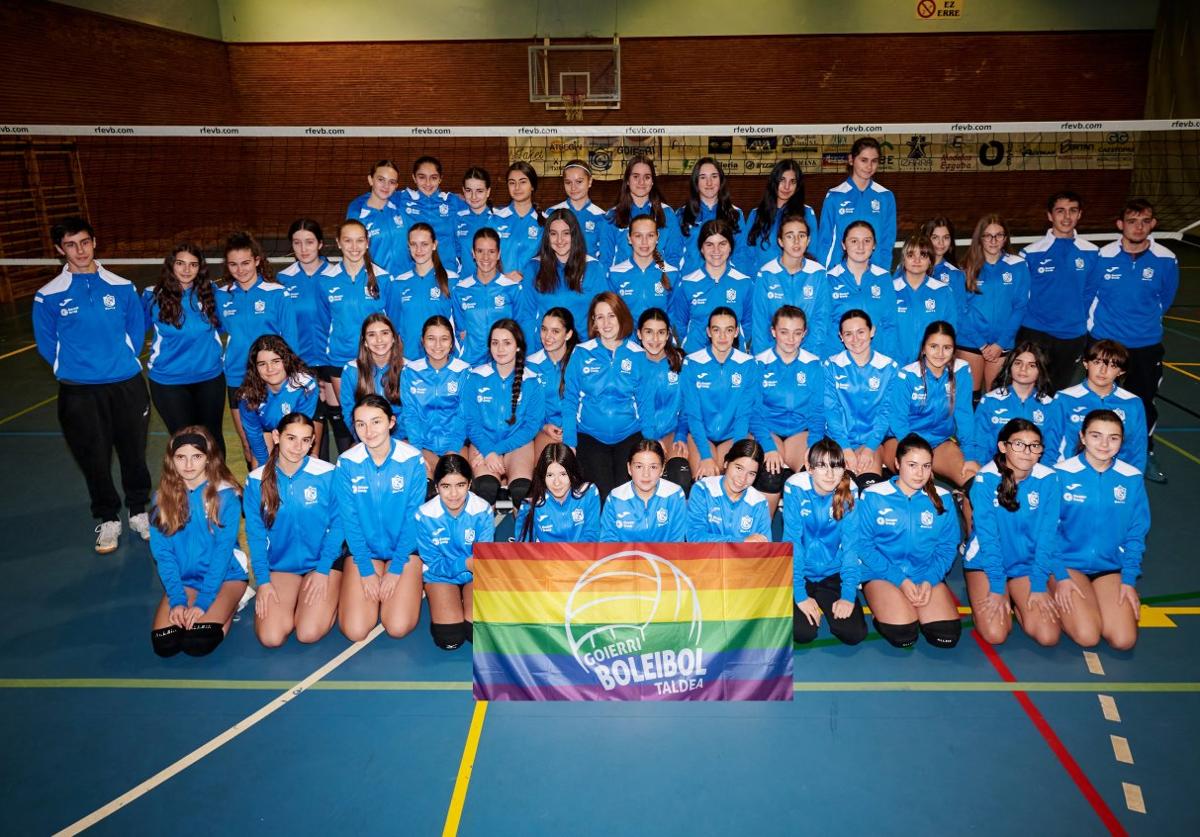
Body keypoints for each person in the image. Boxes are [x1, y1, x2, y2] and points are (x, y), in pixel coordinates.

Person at [33, 216, 152, 553]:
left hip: (126, 385)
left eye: (85, 242)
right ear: (60, 250)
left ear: (94, 243)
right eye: (71, 244)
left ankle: (139, 511)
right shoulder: (48, 296)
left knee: (133, 453)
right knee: (93, 457)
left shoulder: (122, 286)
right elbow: (47, 344)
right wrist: (73, 367)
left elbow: (135, 330)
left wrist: (119, 360)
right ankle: (108, 518)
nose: (80, 250)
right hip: (80, 391)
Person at [1085, 198, 1179, 483]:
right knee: (1097, 399)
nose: (1138, 227)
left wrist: (1140, 325)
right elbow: (1090, 296)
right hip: (1105, 342)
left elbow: (1166, 299)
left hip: (1146, 344)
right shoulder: (1102, 256)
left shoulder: (1166, 259)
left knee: (1142, 403)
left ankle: (1143, 452)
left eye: (1145, 221)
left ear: (1153, 224)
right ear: (1120, 224)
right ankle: (1091, 453)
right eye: (1132, 221)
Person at [1040, 410, 1149, 650]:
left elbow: (1136, 533)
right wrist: (1060, 575)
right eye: (1096, 435)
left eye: (1113, 438)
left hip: (1108, 568)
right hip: (1067, 564)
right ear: (1082, 436)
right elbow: (1047, 532)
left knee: (1124, 640)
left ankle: (1092, 599)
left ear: (1122, 441)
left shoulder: (1131, 478)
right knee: (1087, 636)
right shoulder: (1060, 475)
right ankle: (1049, 587)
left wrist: (1128, 579)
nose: (1104, 444)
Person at [245, 413, 343, 647]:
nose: (298, 447)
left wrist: (322, 570)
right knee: (271, 638)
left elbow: (340, 524)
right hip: (281, 568)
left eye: (305, 440)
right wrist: (264, 581)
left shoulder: (328, 474)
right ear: (277, 437)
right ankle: (296, 600)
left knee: (307, 633)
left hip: (322, 564)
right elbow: (256, 536)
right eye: (291, 438)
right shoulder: (256, 481)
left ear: (312, 443)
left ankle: (333, 594)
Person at [855, 433, 961, 649]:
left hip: (924, 573)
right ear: (897, 464)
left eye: (926, 466)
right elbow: (863, 546)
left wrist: (930, 579)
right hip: (882, 573)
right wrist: (900, 580)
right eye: (912, 465)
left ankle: (911, 603)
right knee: (903, 635)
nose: (919, 473)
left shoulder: (943, 499)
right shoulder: (873, 495)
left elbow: (947, 547)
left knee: (946, 636)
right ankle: (884, 606)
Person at [148, 426, 247, 657]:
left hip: (225, 577)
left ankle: (232, 603)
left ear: (208, 458)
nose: (189, 465)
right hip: (186, 580)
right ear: (171, 460)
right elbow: (163, 554)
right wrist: (178, 599)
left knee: (198, 643)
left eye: (197, 456)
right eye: (181, 457)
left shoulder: (226, 496)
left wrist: (203, 602)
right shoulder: (161, 498)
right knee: (166, 645)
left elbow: (223, 553)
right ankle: (199, 604)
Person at [335, 394, 426, 641]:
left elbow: (413, 519)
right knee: (355, 631)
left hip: (405, 552)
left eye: (376, 422)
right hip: (364, 552)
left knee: (396, 627)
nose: (368, 430)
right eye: (360, 424)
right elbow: (350, 520)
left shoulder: (412, 459)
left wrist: (396, 569)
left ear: (391, 422)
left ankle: (414, 581)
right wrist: (365, 570)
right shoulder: (346, 463)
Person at [964, 419, 1061, 647]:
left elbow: (1048, 534)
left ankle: (1019, 599)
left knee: (1048, 636)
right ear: (1003, 447)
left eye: (1034, 445)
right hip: (986, 562)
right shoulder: (985, 479)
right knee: (996, 635)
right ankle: (1003, 591)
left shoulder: (1049, 479)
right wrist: (997, 587)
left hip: (1025, 564)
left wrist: (1038, 585)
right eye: (1018, 444)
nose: (1027, 452)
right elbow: (989, 540)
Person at [215, 231, 298, 471]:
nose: (240, 270)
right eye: (233, 264)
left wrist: (289, 378)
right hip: (237, 378)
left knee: (279, 442)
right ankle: (258, 500)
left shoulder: (277, 293)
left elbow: (290, 341)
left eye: (245, 263)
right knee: (249, 445)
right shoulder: (221, 296)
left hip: (273, 379)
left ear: (257, 260)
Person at [561, 293, 656, 499]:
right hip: (590, 436)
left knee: (626, 496)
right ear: (593, 322)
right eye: (599, 317)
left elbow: (645, 402)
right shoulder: (581, 353)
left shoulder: (637, 354)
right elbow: (569, 400)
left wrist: (649, 442)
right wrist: (570, 442)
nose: (606, 323)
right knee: (602, 496)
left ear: (621, 316)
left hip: (629, 436)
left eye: (611, 316)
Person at [142, 243, 226, 457]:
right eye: (181, 263)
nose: (187, 269)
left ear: (200, 268)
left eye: (193, 264)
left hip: (209, 378)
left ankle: (219, 488)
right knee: (184, 441)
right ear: (171, 264)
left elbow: (227, 325)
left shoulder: (211, 293)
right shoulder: (152, 295)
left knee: (212, 439)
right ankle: (188, 490)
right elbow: (132, 331)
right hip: (169, 382)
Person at [782, 439, 868, 646]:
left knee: (854, 634)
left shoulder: (850, 492)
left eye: (836, 465)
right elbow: (793, 543)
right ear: (809, 468)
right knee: (802, 633)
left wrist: (848, 595)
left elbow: (851, 548)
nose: (830, 474)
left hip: (832, 572)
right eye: (822, 465)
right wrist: (800, 595)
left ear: (844, 467)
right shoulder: (795, 487)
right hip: (801, 571)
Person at [316, 219, 391, 454]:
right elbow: (323, 324)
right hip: (340, 360)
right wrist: (321, 370)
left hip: (375, 360)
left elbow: (392, 323)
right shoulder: (326, 280)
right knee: (351, 415)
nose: (354, 246)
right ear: (338, 243)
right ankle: (353, 465)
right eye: (347, 240)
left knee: (376, 415)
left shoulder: (383, 278)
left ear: (367, 243)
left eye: (360, 240)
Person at [883, 322, 978, 494]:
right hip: (903, 440)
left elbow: (964, 414)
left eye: (947, 347)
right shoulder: (907, 375)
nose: (940, 354)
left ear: (954, 350)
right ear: (924, 348)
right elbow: (897, 419)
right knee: (919, 481)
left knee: (974, 479)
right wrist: (919, 457)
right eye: (933, 346)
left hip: (939, 442)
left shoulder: (961, 371)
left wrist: (970, 455)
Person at [1016, 192, 1098, 391]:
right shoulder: (1030, 253)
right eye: (1060, 211)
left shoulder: (1092, 252)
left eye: (1073, 211)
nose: (1067, 217)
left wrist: (1078, 320)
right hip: (1035, 332)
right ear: (1050, 215)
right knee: (1027, 388)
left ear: (1080, 214)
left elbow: (1091, 293)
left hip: (1072, 335)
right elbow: (1021, 296)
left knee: (1058, 390)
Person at [750, 306, 825, 517]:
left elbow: (818, 413)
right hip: (768, 430)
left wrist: (813, 446)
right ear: (773, 332)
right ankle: (762, 538)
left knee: (813, 472)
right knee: (770, 472)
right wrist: (768, 446)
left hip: (799, 433)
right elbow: (754, 413)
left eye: (797, 333)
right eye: (784, 332)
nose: (790, 339)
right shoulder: (758, 364)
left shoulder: (813, 365)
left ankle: (804, 539)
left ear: (805, 333)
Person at [416, 453, 495, 650]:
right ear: (436, 487)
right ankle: (448, 601)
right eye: (446, 486)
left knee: (476, 634)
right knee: (449, 638)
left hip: (472, 575)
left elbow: (483, 556)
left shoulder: (482, 510)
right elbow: (433, 563)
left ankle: (465, 601)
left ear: (469, 484)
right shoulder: (424, 515)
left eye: (460, 485)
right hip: (440, 576)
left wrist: (471, 567)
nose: (453, 494)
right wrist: (465, 563)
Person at [462, 319, 543, 510]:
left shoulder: (532, 381)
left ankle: (519, 536)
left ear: (517, 346)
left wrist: (494, 451)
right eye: (495, 342)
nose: (500, 348)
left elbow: (531, 427)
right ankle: (486, 535)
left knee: (521, 490)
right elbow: (471, 422)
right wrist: (487, 450)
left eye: (507, 342)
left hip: (517, 444)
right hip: (483, 442)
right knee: (486, 488)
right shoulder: (475, 377)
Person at [953, 214, 1031, 398]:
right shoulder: (965, 267)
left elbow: (1020, 307)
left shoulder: (1018, 265)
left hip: (1001, 344)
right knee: (969, 398)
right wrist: (981, 344)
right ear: (979, 238)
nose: (993, 240)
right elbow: (960, 311)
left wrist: (1000, 343)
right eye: (988, 235)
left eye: (999, 235)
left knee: (996, 396)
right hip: (970, 342)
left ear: (1005, 238)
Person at [823, 310, 898, 489]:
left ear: (872, 331)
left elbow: (886, 412)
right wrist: (845, 448)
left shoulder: (889, 368)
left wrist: (871, 446)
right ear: (841, 336)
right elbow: (831, 410)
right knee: (844, 489)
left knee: (867, 486)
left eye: (861, 332)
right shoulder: (831, 366)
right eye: (848, 334)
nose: (855, 339)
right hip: (838, 441)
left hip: (874, 441)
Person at [681, 307, 759, 480]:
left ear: (736, 332)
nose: (723, 337)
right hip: (701, 435)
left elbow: (743, 415)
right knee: (706, 479)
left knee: (733, 478)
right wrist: (706, 457)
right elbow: (693, 415)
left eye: (729, 330)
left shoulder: (748, 365)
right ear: (709, 332)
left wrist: (735, 455)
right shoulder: (692, 363)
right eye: (717, 330)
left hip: (733, 435)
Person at [1046, 339, 1147, 471]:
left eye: (1112, 365)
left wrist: (1134, 479)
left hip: (1115, 478)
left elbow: (1137, 449)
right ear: (1086, 363)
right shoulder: (1065, 398)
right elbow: (1050, 444)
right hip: (1069, 474)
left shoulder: (1133, 403)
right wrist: (1049, 476)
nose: (1103, 370)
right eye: (1097, 362)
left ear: (1121, 371)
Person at [518, 208, 609, 351]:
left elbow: (603, 315)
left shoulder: (593, 267)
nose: (560, 240)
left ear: (575, 235)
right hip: (544, 350)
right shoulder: (533, 267)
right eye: (554, 234)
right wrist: (531, 356)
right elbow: (526, 316)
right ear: (547, 237)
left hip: (584, 352)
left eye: (566, 233)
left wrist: (597, 351)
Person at [279, 219, 331, 458]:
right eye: (297, 243)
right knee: (313, 439)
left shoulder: (336, 275)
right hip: (301, 367)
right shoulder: (282, 280)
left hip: (334, 365)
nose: (304, 248)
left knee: (345, 429)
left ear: (320, 244)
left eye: (309, 242)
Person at [402, 315, 472, 477]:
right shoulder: (410, 372)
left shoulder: (464, 371)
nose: (438, 345)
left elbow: (464, 416)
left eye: (444, 339)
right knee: (426, 483)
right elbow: (411, 415)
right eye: (431, 339)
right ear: (422, 341)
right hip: (423, 446)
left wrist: (453, 449)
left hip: (457, 444)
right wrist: (418, 450)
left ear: (452, 342)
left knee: (453, 480)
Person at [750, 213, 829, 356]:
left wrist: (808, 358)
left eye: (801, 235)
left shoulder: (818, 273)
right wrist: (766, 359)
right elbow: (760, 324)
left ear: (809, 240)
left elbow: (820, 321)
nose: (796, 241)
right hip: (772, 357)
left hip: (808, 356)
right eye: (789, 236)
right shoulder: (766, 274)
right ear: (780, 241)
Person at [966, 342, 1056, 464]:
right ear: (1010, 366)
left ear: (1041, 370)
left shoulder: (1050, 406)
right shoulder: (990, 401)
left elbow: (1051, 449)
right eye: (1018, 363)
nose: (1023, 369)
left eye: (1031, 365)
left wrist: (1041, 475)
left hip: (1034, 474)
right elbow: (979, 445)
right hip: (994, 470)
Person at [237, 335, 318, 470]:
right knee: (260, 468)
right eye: (262, 364)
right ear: (255, 368)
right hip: (267, 430)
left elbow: (300, 429)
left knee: (302, 461)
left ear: (286, 360)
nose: (270, 369)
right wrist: (265, 466)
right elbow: (254, 433)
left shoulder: (305, 385)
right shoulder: (248, 395)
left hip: (302, 426)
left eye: (276, 361)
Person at [673, 218, 753, 352]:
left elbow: (749, 325)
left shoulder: (745, 283)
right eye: (709, 244)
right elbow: (679, 326)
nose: (716, 250)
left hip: (732, 361)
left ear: (730, 247)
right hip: (695, 359)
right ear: (701, 249)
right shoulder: (687, 284)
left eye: (722, 244)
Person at [816, 137, 896, 271]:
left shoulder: (885, 197)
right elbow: (825, 241)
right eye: (864, 160)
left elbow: (887, 241)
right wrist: (824, 273)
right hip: (838, 273)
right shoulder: (835, 196)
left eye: (874, 161)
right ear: (851, 160)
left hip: (873, 274)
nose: (869, 166)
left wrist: (883, 272)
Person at [825, 220, 899, 360]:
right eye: (854, 241)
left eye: (867, 241)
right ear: (843, 245)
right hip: (839, 360)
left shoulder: (883, 278)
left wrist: (888, 359)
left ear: (874, 245)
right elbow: (825, 325)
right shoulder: (830, 279)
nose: (860, 246)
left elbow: (890, 324)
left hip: (877, 361)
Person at [636, 307, 692, 492]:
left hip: (671, 432)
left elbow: (686, 408)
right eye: (649, 332)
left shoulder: (680, 362)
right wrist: (650, 439)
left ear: (668, 334)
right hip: (637, 434)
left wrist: (681, 435)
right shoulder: (630, 364)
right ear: (639, 334)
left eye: (661, 333)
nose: (655, 339)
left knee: (680, 476)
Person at [451, 227, 522, 366]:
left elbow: (518, 329)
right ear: (473, 253)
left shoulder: (512, 288)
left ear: (498, 254)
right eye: (480, 251)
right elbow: (461, 332)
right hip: (470, 364)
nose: (485, 257)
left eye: (491, 251)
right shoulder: (460, 290)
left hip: (503, 363)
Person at [387, 222, 457, 361]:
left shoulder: (452, 280)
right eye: (413, 244)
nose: (419, 249)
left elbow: (459, 324)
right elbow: (393, 323)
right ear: (408, 246)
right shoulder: (399, 282)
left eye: (424, 244)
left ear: (434, 245)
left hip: (441, 358)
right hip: (409, 359)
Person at [740, 159, 817, 279]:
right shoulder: (756, 214)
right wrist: (755, 281)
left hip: (794, 284)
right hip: (761, 283)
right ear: (773, 181)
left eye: (792, 182)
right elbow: (746, 253)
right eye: (782, 180)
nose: (787, 187)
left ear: (797, 186)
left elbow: (812, 252)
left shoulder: (806, 213)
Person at [600, 439, 688, 541]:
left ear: (662, 469)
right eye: (639, 466)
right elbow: (608, 544)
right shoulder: (615, 498)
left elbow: (677, 542)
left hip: (665, 557)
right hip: (626, 557)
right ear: (629, 468)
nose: (646, 474)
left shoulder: (675, 495)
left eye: (653, 467)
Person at [686, 438, 772, 542]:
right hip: (706, 557)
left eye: (751, 474)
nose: (743, 478)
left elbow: (765, 547)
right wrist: (741, 542)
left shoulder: (759, 502)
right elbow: (694, 537)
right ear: (726, 463)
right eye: (739, 468)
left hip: (742, 558)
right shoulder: (703, 489)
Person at [604, 155, 682, 269]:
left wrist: (667, 280)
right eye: (636, 176)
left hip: (658, 280)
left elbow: (674, 255)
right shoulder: (612, 216)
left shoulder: (667, 213)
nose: (641, 182)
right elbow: (606, 259)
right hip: (622, 282)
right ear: (627, 181)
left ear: (652, 182)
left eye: (647, 177)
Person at [515, 443, 601, 542]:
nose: (557, 482)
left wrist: (572, 556)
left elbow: (592, 535)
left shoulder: (588, 493)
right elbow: (525, 546)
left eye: (563, 474)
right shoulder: (531, 502)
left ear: (572, 473)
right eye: (550, 475)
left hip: (580, 555)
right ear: (543, 476)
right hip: (545, 556)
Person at [339, 313, 405, 441]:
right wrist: (364, 439)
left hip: (399, 438)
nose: (379, 340)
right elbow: (349, 412)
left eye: (385, 333)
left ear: (393, 338)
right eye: (372, 335)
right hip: (366, 437)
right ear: (365, 342)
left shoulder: (408, 370)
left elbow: (409, 413)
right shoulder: (351, 370)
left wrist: (395, 440)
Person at [893, 233, 956, 364]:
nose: (917, 260)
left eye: (923, 255)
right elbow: (883, 330)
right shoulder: (890, 290)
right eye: (911, 255)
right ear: (904, 260)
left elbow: (950, 331)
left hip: (932, 364)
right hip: (895, 364)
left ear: (930, 260)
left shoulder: (943, 292)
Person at [399, 155, 467, 271]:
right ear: (414, 178)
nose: (428, 183)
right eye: (422, 177)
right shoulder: (402, 199)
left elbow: (479, 210)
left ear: (440, 179)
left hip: (447, 271)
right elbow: (372, 198)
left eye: (433, 178)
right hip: (414, 272)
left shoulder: (452, 201)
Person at [526, 308, 579, 457]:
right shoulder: (531, 365)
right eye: (544, 329)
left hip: (580, 429)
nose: (547, 336)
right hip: (548, 430)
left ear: (568, 334)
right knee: (548, 464)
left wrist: (570, 431)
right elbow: (527, 407)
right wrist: (544, 426)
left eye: (555, 331)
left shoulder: (581, 360)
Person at [679, 157, 745, 277]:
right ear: (696, 182)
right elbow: (676, 254)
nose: (709, 183)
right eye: (703, 177)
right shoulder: (682, 214)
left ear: (721, 180)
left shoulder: (735, 214)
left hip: (725, 283)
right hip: (691, 282)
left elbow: (741, 254)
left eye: (714, 176)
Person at [608, 215, 679, 324]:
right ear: (629, 238)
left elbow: (674, 316)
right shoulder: (615, 274)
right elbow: (611, 315)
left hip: (658, 339)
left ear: (657, 237)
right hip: (626, 339)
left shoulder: (672, 273)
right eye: (638, 236)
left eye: (650, 235)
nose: (644, 242)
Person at [345, 159, 411, 276]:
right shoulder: (358, 216)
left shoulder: (401, 209)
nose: (386, 186)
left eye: (391, 182)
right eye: (381, 180)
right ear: (371, 180)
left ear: (396, 186)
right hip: (377, 283)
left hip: (405, 283)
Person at [548, 159, 612, 259]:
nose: (573, 187)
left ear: (590, 181)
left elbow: (606, 255)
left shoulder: (602, 217)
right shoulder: (551, 213)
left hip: (589, 273)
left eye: (579, 182)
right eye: (568, 182)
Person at [492, 161, 543, 280]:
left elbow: (550, 261)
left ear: (532, 186)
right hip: (500, 291)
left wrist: (526, 277)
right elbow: (484, 258)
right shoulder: (495, 219)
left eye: (523, 182)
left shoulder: (545, 222)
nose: (517, 187)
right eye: (512, 183)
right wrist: (502, 278)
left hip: (532, 290)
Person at [454, 166, 496, 278]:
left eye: (479, 191)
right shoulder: (456, 219)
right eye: (469, 190)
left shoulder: (499, 219)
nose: (473, 196)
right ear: (463, 191)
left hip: (495, 288)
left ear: (488, 192)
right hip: (465, 285)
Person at [921, 216, 965, 290]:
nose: (941, 243)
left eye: (946, 237)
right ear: (925, 238)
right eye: (935, 237)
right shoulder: (910, 267)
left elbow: (959, 301)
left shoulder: (956, 274)